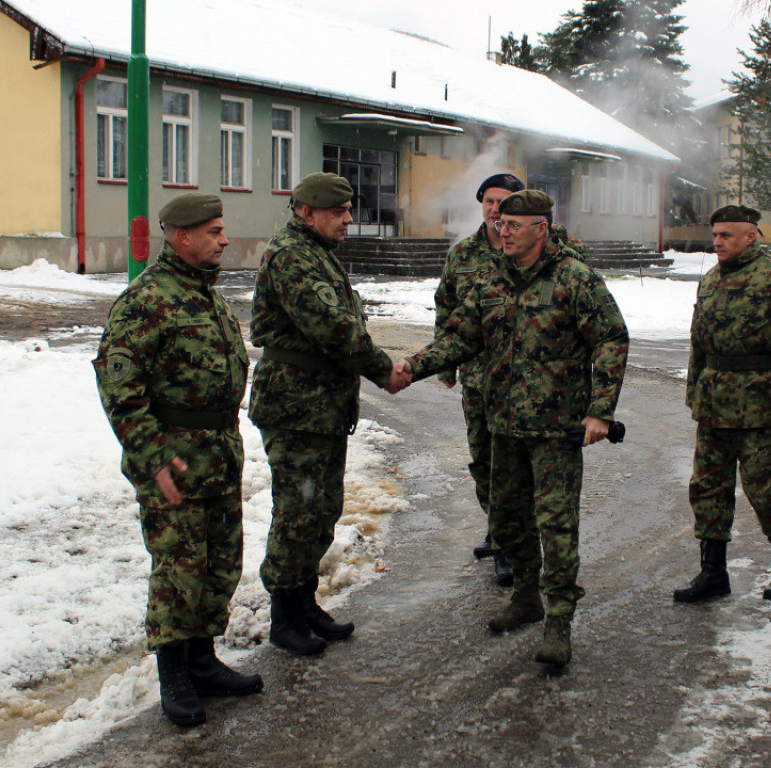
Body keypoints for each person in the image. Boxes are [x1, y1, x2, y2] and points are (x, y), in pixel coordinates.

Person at [399, 189, 628, 666]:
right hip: (502, 425)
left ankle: (559, 621)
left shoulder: (575, 279)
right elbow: (459, 336)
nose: (501, 231)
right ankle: (527, 596)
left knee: (556, 527)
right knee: (506, 519)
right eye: (499, 224)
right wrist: (410, 368)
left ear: (540, 229)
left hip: (554, 432)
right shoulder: (489, 281)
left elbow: (610, 337)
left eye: (512, 225)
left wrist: (600, 411)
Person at [93, 192, 262, 728]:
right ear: (181, 236)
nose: (224, 239)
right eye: (214, 231)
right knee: (178, 568)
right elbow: (122, 389)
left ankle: (202, 660)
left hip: (216, 453)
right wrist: (151, 457)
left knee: (218, 563)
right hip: (174, 461)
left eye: (222, 229)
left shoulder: (206, 294)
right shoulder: (146, 300)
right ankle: (175, 674)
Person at [248, 171, 411, 657]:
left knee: (321, 511)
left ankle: (303, 601)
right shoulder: (292, 256)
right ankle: (285, 616)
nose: (347, 219)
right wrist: (383, 369)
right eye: (338, 212)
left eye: (348, 209)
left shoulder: (317, 253)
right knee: (297, 512)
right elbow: (333, 327)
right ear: (307, 212)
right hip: (296, 409)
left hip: (320, 407)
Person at [673, 204, 771, 605]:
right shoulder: (712, 279)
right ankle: (713, 572)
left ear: (750, 236)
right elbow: (698, 342)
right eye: (715, 235)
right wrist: (693, 389)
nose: (717, 242)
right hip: (715, 402)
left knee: (760, 487)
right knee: (707, 487)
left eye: (726, 235)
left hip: (760, 403)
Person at [432, 172, 526, 586]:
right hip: (477, 377)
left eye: (504, 202)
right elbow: (446, 308)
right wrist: (444, 364)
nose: (495, 209)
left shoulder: (528, 249)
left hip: (523, 379)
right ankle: (498, 525)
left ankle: (510, 543)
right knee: (483, 458)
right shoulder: (464, 254)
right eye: (489, 201)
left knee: (512, 463)